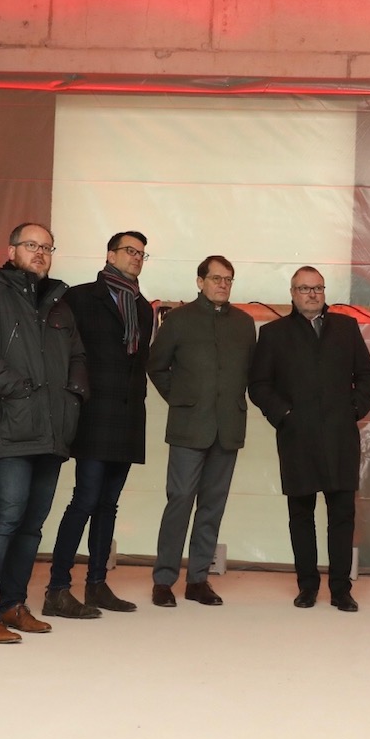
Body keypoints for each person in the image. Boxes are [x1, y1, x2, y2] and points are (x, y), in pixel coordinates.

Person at [0, 222, 88, 644]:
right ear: (11, 251)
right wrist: (18, 388)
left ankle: (12, 604)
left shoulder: (59, 303)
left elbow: (78, 357)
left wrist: (73, 396)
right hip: (11, 426)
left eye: (47, 247)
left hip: (52, 429)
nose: (40, 253)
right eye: (31, 245)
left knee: (32, 525)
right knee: (6, 518)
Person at [249, 266, 370, 612]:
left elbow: (368, 375)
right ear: (292, 293)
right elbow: (259, 385)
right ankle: (307, 587)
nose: (312, 294)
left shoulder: (346, 328)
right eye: (304, 289)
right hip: (297, 437)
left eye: (318, 288)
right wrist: (284, 415)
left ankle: (341, 590)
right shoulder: (274, 334)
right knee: (301, 516)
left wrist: (354, 408)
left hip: (340, 436)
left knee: (342, 516)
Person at [45, 231, 154, 619]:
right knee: (85, 500)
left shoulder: (143, 307)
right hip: (93, 415)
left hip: (127, 417)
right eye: (130, 251)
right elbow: (63, 353)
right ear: (110, 255)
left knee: (109, 503)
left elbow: (140, 364)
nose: (136, 257)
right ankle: (57, 589)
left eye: (142, 253)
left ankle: (96, 584)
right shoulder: (79, 298)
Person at [146, 255, 256, 607]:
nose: (223, 285)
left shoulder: (244, 324)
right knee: (179, 500)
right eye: (216, 278)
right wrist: (181, 400)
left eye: (228, 280)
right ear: (200, 282)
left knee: (212, 505)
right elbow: (156, 366)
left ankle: (197, 580)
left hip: (228, 427)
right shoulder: (178, 320)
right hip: (188, 427)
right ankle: (164, 580)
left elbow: (250, 372)